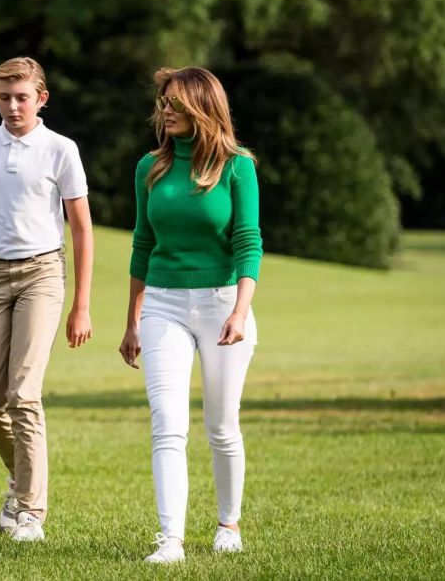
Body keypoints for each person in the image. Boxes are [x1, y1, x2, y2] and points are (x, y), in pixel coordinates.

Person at [118, 66, 262, 564]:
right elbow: (143, 244)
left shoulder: (238, 166)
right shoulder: (149, 168)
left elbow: (248, 241)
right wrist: (132, 319)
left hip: (225, 305)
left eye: (175, 103)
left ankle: (228, 524)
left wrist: (242, 311)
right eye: (162, 102)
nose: (165, 110)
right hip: (164, 305)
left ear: (202, 106)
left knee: (222, 426)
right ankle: (171, 540)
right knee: (167, 424)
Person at [0, 57, 94, 542]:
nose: (13, 106)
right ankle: (21, 479)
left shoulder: (61, 149)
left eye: (22, 97)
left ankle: (31, 512)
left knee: (23, 393)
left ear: (42, 98)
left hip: (42, 273)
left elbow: (81, 228)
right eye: (4, 97)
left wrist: (81, 305)